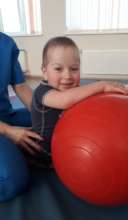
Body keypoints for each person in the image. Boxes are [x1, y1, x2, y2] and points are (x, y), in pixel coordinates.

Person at [31, 36, 128, 167]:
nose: (67, 76)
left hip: (67, 144)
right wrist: (101, 85)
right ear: (45, 72)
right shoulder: (42, 91)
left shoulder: (74, 90)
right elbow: (64, 100)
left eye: (74, 69)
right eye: (58, 69)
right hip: (45, 153)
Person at [0, 32, 43, 202]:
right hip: (4, 126)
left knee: (56, 124)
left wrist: (44, 116)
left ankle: (17, 153)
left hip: (7, 116)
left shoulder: (5, 43)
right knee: (13, 181)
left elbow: (21, 86)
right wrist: (8, 131)